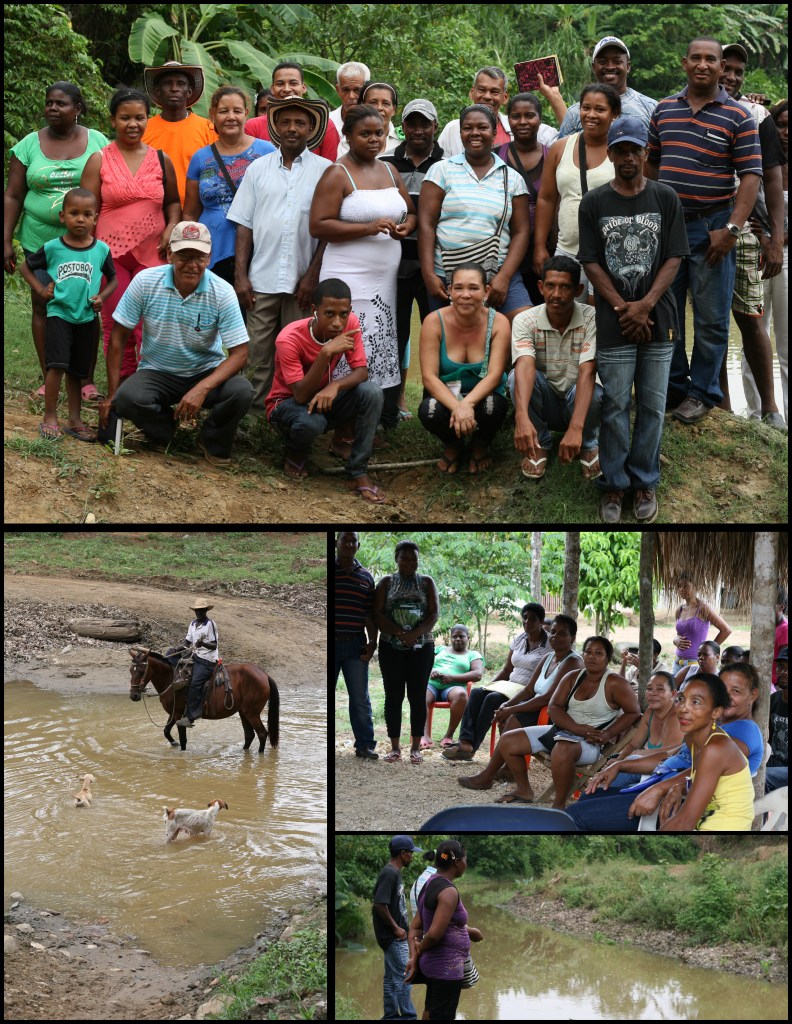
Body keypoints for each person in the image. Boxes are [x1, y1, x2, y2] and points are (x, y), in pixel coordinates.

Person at [579, 115, 689, 524]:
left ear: (646, 153)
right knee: (615, 404)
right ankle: (613, 484)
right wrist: (624, 308)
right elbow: (590, 261)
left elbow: (675, 256)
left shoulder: (665, 198)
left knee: (654, 406)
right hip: (614, 321)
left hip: (658, 317)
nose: (628, 157)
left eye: (635, 150)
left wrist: (644, 305)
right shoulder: (595, 202)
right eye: (620, 150)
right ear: (610, 154)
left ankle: (644, 480)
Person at [645, 38, 762, 424]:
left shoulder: (739, 115)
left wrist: (731, 228)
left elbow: (750, 177)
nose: (703, 64)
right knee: (669, 312)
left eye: (710, 59)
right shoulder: (663, 110)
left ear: (719, 65)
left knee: (711, 318)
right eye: (695, 57)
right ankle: (676, 388)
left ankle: (703, 393)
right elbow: (651, 167)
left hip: (714, 226)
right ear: (684, 62)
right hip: (668, 227)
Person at [99, 221, 254, 466]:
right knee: (128, 398)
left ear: (209, 258)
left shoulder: (222, 292)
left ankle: (212, 440)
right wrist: (112, 393)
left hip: (205, 371)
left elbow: (240, 354)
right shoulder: (145, 282)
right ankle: (168, 433)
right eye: (184, 256)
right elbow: (118, 338)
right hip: (157, 371)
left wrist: (201, 389)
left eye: (199, 257)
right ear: (170, 254)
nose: (192, 265)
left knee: (241, 391)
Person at [311, 105, 416, 431]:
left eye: (379, 134)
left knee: (376, 343)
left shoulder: (389, 171)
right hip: (347, 276)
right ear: (348, 136)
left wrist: (405, 228)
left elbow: (410, 212)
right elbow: (318, 225)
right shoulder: (336, 173)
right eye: (365, 134)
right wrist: (367, 228)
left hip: (383, 281)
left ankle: (368, 422)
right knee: (348, 340)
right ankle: (337, 423)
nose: (374, 140)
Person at [5, 81, 108, 400]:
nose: (52, 108)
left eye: (61, 103)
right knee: (43, 303)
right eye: (49, 102)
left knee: (85, 307)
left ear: (78, 109)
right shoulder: (27, 145)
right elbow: (13, 195)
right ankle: (48, 372)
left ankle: (86, 379)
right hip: (40, 241)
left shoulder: (98, 142)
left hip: (85, 245)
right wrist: (5, 239)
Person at [228, 96, 331, 414]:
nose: (292, 128)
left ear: (310, 128)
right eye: (285, 122)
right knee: (257, 351)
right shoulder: (258, 169)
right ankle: (253, 417)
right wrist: (241, 275)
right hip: (262, 278)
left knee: (296, 353)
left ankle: (286, 414)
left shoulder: (326, 171)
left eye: (300, 122)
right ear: (275, 126)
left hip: (303, 282)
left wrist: (312, 275)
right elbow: (244, 224)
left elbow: (326, 231)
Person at [573, 662, 762, 832]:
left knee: (577, 817)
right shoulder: (705, 732)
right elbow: (669, 757)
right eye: (681, 700)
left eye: (735, 691)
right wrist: (619, 764)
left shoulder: (729, 739)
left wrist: (663, 788)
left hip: (699, 815)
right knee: (587, 800)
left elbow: (688, 815)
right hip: (668, 793)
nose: (684, 709)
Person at [81, 88, 181, 383]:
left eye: (139, 117)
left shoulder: (162, 160)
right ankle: (121, 388)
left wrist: (172, 225)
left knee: (151, 323)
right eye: (125, 118)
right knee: (116, 321)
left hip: (154, 253)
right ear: (113, 120)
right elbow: (85, 211)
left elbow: (173, 201)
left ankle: (151, 383)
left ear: (148, 119)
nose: (133, 124)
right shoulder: (99, 160)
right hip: (110, 257)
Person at [266, 278, 385, 502]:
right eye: (329, 314)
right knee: (312, 422)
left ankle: (357, 472)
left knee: (372, 392)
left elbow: (361, 372)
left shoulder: (350, 323)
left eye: (343, 314)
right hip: (287, 404)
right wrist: (325, 353)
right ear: (314, 311)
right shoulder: (289, 338)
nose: (338, 323)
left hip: (322, 399)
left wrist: (334, 385)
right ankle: (295, 452)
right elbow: (300, 395)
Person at [488, 635, 641, 808]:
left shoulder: (615, 683)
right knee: (508, 740)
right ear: (583, 654)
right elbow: (554, 707)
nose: (592, 656)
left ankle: (559, 804)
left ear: (607, 658)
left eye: (598, 653)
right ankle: (524, 789)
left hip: (589, 743)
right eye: (588, 652)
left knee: (562, 748)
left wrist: (607, 734)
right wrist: (576, 728)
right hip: (561, 732)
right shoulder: (573, 676)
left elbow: (634, 712)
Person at [718, 44, 786, 430]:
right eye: (725, 67)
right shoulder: (676, 109)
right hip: (703, 227)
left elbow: (772, 177)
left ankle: (771, 410)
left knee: (751, 319)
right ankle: (723, 409)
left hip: (748, 231)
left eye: (738, 71)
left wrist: (775, 237)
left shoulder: (757, 114)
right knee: (711, 324)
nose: (730, 76)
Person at [20, 187, 117, 441]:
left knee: (77, 370)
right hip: (59, 316)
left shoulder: (101, 250)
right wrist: (41, 289)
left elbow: (113, 280)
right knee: (56, 367)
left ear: (96, 218)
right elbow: (26, 267)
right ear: (63, 217)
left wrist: (101, 298)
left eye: (87, 214)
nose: (81, 219)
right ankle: (50, 416)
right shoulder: (52, 248)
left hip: (86, 319)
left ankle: (74, 420)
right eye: (74, 213)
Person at [419, 104, 532, 321]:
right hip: (447, 274)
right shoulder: (441, 170)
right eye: (467, 128)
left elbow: (521, 232)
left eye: (482, 127)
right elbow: (426, 224)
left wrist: (505, 277)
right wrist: (429, 275)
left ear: (494, 133)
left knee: (524, 323)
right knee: (448, 337)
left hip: (497, 272)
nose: (474, 133)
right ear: (460, 132)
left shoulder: (512, 178)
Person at [455, 614, 582, 789]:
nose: (555, 637)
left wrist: (511, 709)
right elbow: (529, 690)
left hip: (556, 715)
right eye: (553, 632)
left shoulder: (573, 662)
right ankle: (508, 773)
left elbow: (547, 698)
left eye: (562, 634)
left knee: (513, 719)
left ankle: (488, 776)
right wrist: (507, 705)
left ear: (572, 638)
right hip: (540, 707)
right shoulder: (548, 658)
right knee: (506, 713)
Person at [511, 255, 602, 480]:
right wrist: (521, 417)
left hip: (578, 399)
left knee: (598, 389)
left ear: (578, 289)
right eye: (550, 286)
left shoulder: (592, 318)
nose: (557, 295)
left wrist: (576, 428)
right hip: (547, 399)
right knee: (515, 378)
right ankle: (540, 441)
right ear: (541, 287)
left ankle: (589, 441)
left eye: (565, 287)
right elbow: (524, 365)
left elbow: (588, 370)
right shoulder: (525, 320)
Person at [381, 99, 445, 417]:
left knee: (438, 334)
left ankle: (437, 403)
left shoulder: (448, 164)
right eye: (412, 124)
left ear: (436, 126)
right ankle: (393, 403)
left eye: (425, 124)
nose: (418, 130)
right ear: (402, 127)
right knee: (395, 334)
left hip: (436, 265)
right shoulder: (386, 164)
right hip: (395, 264)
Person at [418, 263, 511, 474]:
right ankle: (453, 444)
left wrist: (467, 404)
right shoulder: (433, 321)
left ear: (486, 291)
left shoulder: (499, 322)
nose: (465, 295)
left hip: (485, 393)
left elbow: (495, 374)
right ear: (449, 291)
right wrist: (457, 406)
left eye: (473, 288)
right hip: (447, 393)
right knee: (430, 411)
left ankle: (481, 443)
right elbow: (429, 377)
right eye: (458, 288)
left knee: (492, 408)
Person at [533, 83, 621, 295]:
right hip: (567, 249)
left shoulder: (622, 150)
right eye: (585, 108)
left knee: (603, 317)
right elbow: (546, 198)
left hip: (610, 252)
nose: (591, 115)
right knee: (568, 315)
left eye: (600, 109)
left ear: (614, 114)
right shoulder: (560, 148)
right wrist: (539, 246)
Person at [183, 86, 275, 287]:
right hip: (212, 248)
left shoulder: (267, 151)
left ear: (246, 114)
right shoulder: (200, 157)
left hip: (258, 248)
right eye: (224, 111)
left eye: (237, 111)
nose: (231, 117)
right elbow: (190, 213)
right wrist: (190, 249)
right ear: (213, 115)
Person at [443, 603, 549, 762]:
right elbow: (507, 669)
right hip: (509, 686)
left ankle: (471, 747)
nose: (527, 622)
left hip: (528, 691)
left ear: (541, 621)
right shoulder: (519, 639)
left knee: (491, 699)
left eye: (532, 619)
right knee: (478, 692)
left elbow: (542, 680)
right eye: (524, 618)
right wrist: (490, 685)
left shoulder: (549, 646)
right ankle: (465, 741)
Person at [659, 673, 754, 831]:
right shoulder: (692, 739)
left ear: (716, 712)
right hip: (705, 822)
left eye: (695, 702)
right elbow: (701, 776)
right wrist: (679, 785)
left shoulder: (716, 748)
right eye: (681, 699)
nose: (683, 708)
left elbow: (684, 823)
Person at [373, 540, 440, 765]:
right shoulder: (386, 583)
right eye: (405, 558)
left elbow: (434, 614)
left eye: (413, 559)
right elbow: (378, 614)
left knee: (417, 696)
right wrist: (400, 633)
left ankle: (415, 747)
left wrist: (416, 634)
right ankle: (394, 747)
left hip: (422, 648)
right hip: (391, 646)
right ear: (396, 559)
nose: (409, 562)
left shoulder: (426, 582)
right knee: (393, 696)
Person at [406, 840, 482, 1022]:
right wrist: (420, 948)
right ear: (457, 862)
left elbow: (415, 926)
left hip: (434, 966)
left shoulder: (430, 883)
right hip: (446, 969)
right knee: (442, 1015)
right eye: (466, 859)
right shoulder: (448, 891)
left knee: (431, 1011)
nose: (466, 864)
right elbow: (433, 935)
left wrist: (414, 955)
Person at [498, 92, 554, 304]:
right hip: (506, 253)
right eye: (515, 116)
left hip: (546, 251)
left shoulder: (553, 156)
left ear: (540, 118)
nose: (522, 122)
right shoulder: (496, 157)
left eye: (529, 115)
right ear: (509, 120)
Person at [438, 66, 562, 156]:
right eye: (481, 90)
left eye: (494, 92)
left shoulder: (523, 127)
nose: (487, 96)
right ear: (472, 93)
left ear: (505, 98)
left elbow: (569, 140)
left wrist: (554, 97)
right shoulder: (453, 129)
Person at [142, 61, 217, 205]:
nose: (174, 89)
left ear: (189, 92)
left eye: (181, 84)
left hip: (197, 213)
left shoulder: (208, 128)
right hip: (154, 212)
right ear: (158, 90)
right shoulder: (144, 129)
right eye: (167, 83)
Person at [334, 531, 378, 759]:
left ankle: (365, 745)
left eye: (353, 541)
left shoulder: (366, 577)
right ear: (336, 543)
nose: (349, 544)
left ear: (358, 546)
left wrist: (372, 643)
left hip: (355, 645)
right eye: (345, 540)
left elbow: (370, 615)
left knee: (360, 698)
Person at [558, 37, 657, 137]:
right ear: (594, 67)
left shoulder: (651, 108)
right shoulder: (575, 113)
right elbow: (564, 150)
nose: (610, 67)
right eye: (603, 62)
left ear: (628, 66)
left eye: (617, 62)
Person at [244, 61, 340, 161]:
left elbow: (330, 169)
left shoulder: (325, 125)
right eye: (280, 84)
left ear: (303, 88)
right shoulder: (253, 126)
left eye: (293, 83)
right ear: (272, 89)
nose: (286, 89)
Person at [373, 835, 420, 1021]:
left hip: (394, 937)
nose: (413, 856)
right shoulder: (389, 873)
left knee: (391, 980)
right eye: (411, 853)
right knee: (405, 977)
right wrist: (396, 929)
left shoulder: (394, 872)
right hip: (394, 937)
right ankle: (409, 1017)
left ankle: (390, 1016)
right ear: (403, 854)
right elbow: (379, 904)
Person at [421, 625, 484, 750]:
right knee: (420, 694)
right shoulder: (439, 650)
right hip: (432, 684)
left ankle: (448, 735)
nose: (458, 639)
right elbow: (424, 662)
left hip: (453, 687)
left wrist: (452, 678)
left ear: (468, 638)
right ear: (451, 638)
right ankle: (424, 735)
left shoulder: (473, 654)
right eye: (454, 636)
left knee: (461, 695)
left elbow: (477, 674)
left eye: (461, 636)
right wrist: (431, 670)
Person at [170, 598, 220, 728]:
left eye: (201, 611)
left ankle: (191, 716)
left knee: (194, 683)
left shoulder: (210, 624)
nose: (198, 613)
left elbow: (214, 645)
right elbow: (187, 642)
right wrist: (178, 648)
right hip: (196, 656)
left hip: (207, 659)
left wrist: (203, 643)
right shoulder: (192, 624)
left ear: (205, 611)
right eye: (197, 611)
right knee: (170, 657)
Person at [672, 573, 732, 675]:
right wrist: (675, 640)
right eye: (679, 586)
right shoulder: (679, 609)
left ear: (695, 586)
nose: (682, 589)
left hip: (694, 664)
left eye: (686, 586)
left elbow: (726, 630)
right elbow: (679, 635)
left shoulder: (703, 608)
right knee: (674, 690)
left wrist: (709, 650)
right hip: (677, 662)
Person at [329, 60, 372, 158]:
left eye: (357, 90)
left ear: (366, 90)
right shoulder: (327, 123)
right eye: (346, 90)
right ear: (338, 90)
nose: (351, 96)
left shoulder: (378, 123)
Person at [766, 646, 788, 792]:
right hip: (773, 761)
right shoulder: (773, 700)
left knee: (762, 778)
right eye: (781, 667)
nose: (784, 672)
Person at [360, 82, 401, 157]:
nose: (379, 108)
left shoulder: (402, 140)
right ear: (362, 106)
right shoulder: (351, 140)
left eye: (386, 103)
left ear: (393, 110)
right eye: (373, 102)